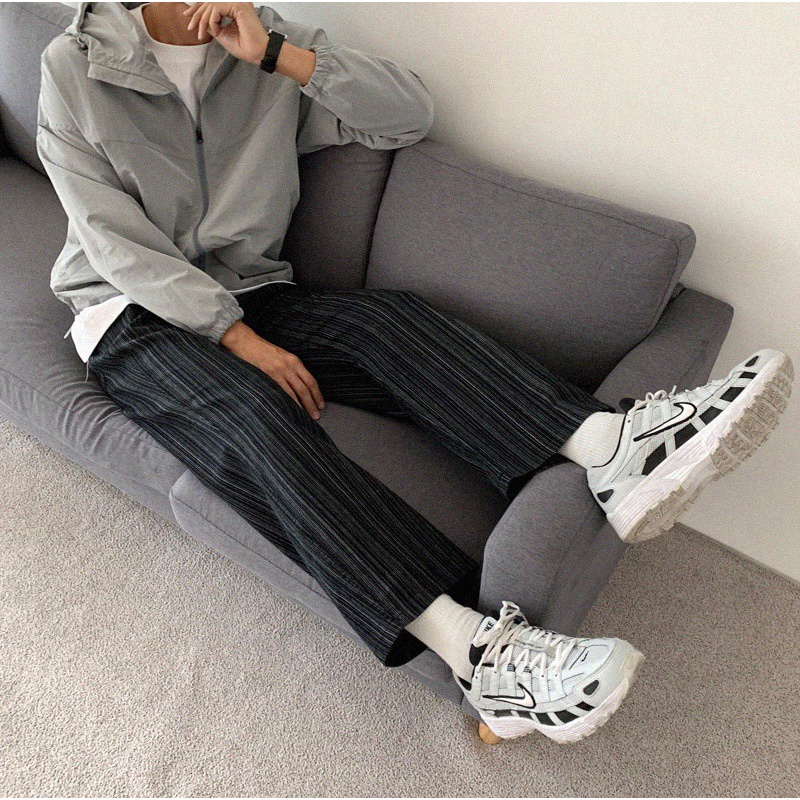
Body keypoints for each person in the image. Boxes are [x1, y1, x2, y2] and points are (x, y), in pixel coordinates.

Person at [36, 1, 793, 744]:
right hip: (128, 312)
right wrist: (234, 337)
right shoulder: (76, 66)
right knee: (255, 417)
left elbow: (405, 116)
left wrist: (274, 56)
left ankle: (614, 449)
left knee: (385, 324)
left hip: (252, 288)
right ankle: (480, 657)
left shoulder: (264, 42)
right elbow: (110, 238)